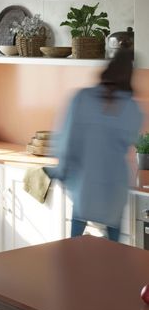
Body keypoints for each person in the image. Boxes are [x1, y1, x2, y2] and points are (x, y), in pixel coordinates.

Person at [44, 49, 142, 241]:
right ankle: (112, 270)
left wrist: (61, 170)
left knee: (75, 242)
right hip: (113, 185)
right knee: (114, 248)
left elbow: (66, 138)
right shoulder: (132, 108)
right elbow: (131, 139)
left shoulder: (82, 98)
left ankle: (73, 268)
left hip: (85, 182)